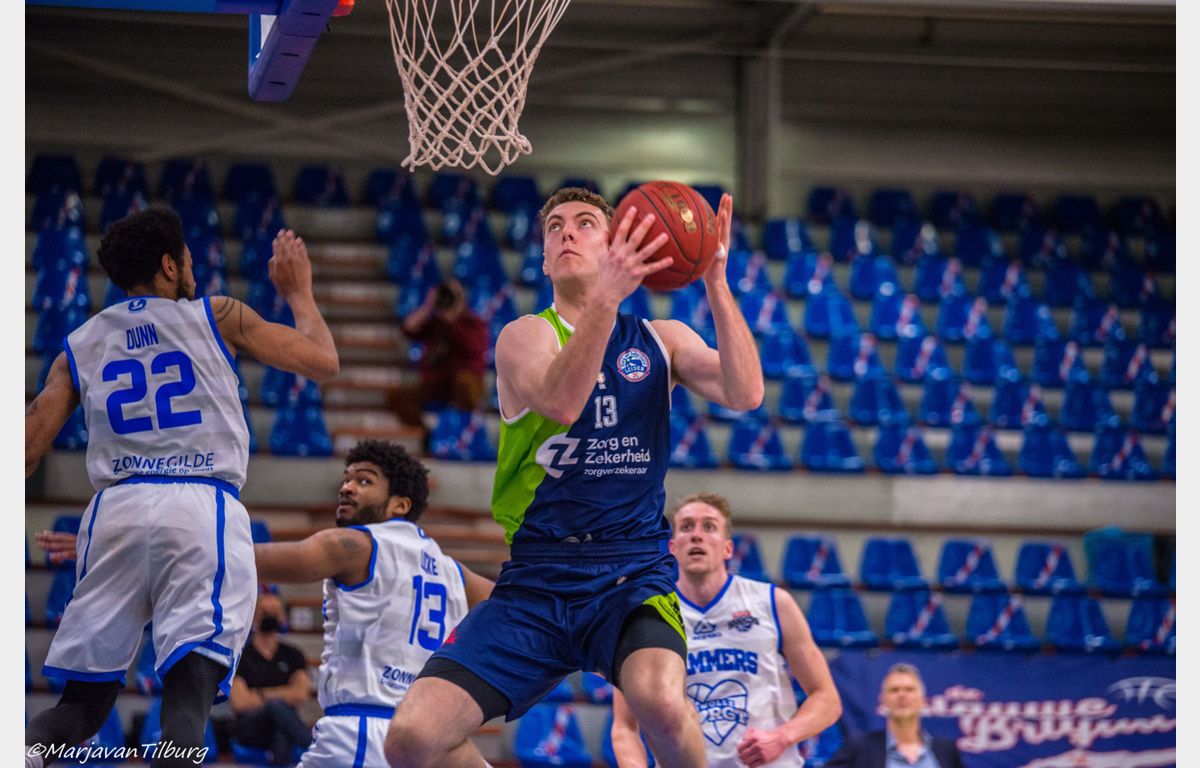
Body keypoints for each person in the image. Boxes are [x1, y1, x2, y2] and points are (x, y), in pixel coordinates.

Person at [385, 187, 765, 768]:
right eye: (555, 226)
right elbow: (563, 401)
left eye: (586, 223)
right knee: (410, 739)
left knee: (662, 702)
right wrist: (606, 299)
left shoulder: (662, 339)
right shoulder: (524, 336)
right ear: (543, 260)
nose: (567, 232)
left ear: (613, 244)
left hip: (631, 572)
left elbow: (746, 392)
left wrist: (715, 281)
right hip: (536, 578)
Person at [25, 208, 339, 768]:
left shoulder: (81, 343)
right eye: (188, 259)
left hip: (114, 511)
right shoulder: (216, 314)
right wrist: (299, 292)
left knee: (82, 706)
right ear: (170, 265)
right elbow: (323, 361)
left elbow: (26, 449)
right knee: (189, 689)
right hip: (200, 505)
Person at [37, 439, 495, 768]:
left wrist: (121, 552)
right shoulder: (457, 574)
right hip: (424, 740)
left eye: (364, 481)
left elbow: (234, 557)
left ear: (400, 504)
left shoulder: (353, 546)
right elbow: (513, 609)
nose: (347, 488)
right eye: (346, 479)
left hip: (359, 734)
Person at [610, 493, 843, 768]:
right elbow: (624, 727)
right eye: (686, 527)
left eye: (709, 527)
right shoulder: (648, 616)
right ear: (672, 547)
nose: (696, 536)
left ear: (728, 548)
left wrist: (782, 737)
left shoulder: (772, 602)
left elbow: (827, 699)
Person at [388, 277, 488, 441]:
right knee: (396, 396)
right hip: (437, 384)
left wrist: (453, 320)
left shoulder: (474, 323)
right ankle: (429, 432)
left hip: (464, 383)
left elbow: (473, 348)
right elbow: (408, 328)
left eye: (452, 296)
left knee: (464, 384)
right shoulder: (435, 323)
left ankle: (459, 430)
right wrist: (428, 306)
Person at [824, 663, 966, 768]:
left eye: (909, 689)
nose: (902, 695)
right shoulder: (860, 747)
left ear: (923, 701)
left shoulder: (946, 750)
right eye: (894, 690)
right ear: (882, 701)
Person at [229, 592, 312, 765]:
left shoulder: (293, 654)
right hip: (250, 726)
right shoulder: (241, 656)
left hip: (283, 725)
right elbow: (240, 703)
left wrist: (259, 694)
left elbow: (301, 694)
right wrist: (283, 695)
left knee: (280, 730)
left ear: (283, 617)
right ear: (253, 617)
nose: (269, 616)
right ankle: (313, 746)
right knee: (276, 707)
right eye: (264, 612)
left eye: (274, 612)